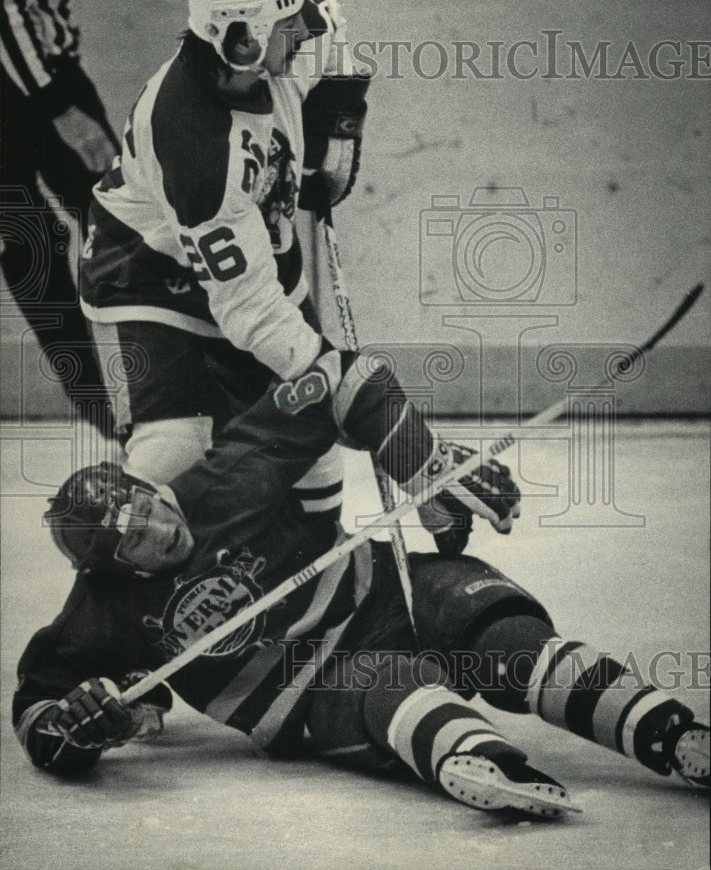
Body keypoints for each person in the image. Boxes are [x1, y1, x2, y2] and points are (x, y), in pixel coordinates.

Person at [13, 350, 709, 817]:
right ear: (119, 568)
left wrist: (424, 466)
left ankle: (674, 736)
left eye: (151, 506)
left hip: (387, 589)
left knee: (509, 639)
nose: (162, 528)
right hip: (307, 689)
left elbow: (344, 375)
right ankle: (479, 758)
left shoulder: (224, 477)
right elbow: (38, 710)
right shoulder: (99, 613)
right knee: (389, 684)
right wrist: (76, 731)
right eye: (138, 539)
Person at [79, 0, 369, 525]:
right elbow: (252, 312)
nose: (304, 32)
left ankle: (314, 569)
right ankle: (127, 579)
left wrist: (336, 130)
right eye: (288, 27)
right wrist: (347, 389)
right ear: (243, 41)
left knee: (310, 436)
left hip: (248, 237)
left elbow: (332, 22)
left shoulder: (275, 44)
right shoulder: (194, 146)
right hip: (152, 271)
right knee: (175, 449)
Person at [0, 0, 258, 432]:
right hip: (34, 86)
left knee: (41, 242)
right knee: (123, 223)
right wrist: (59, 108)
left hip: (33, 80)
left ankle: (118, 410)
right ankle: (161, 400)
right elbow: (6, 8)